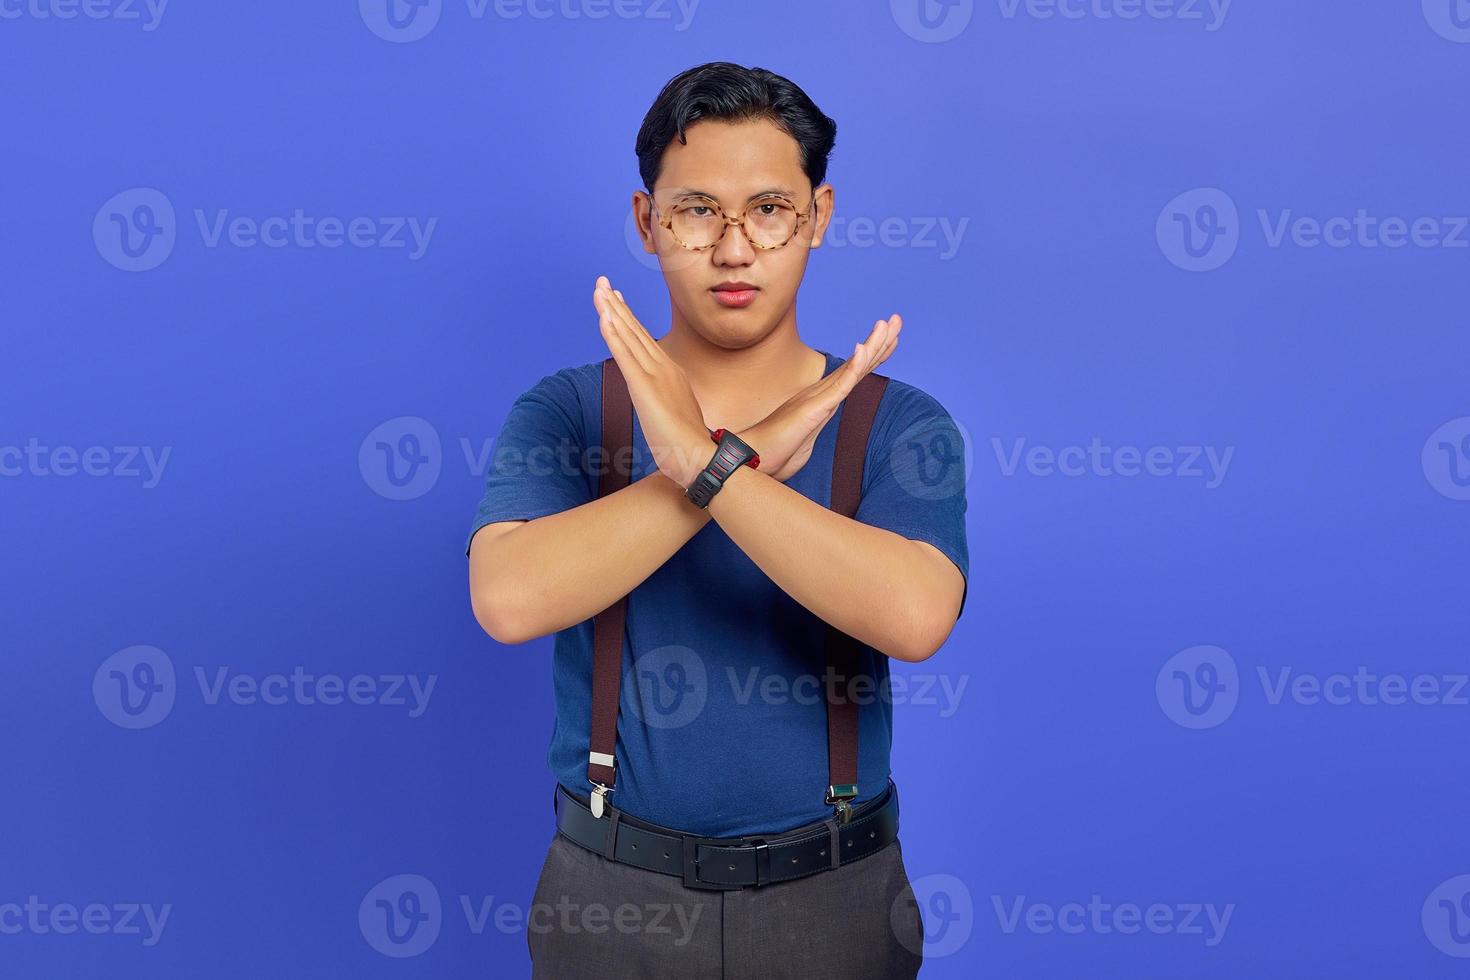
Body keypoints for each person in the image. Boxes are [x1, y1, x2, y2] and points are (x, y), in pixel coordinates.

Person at [466, 61, 969, 979]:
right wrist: (738, 459)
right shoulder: (569, 411)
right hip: (610, 894)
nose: (735, 249)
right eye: (698, 210)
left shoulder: (893, 422)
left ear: (817, 216)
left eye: (769, 209)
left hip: (838, 892)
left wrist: (708, 464)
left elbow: (916, 615)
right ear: (647, 223)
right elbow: (507, 598)